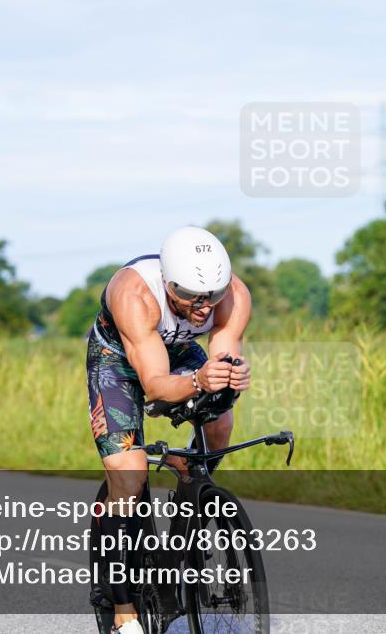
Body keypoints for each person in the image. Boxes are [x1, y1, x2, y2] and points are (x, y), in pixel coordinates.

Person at [86, 225, 252, 634]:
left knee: (220, 423)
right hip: (118, 361)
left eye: (212, 295)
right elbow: (156, 385)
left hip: (177, 352)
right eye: (191, 295)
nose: (204, 306)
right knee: (130, 475)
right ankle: (123, 608)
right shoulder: (134, 294)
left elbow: (222, 357)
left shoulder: (234, 295)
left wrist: (228, 377)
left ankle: (190, 497)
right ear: (167, 282)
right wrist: (197, 381)